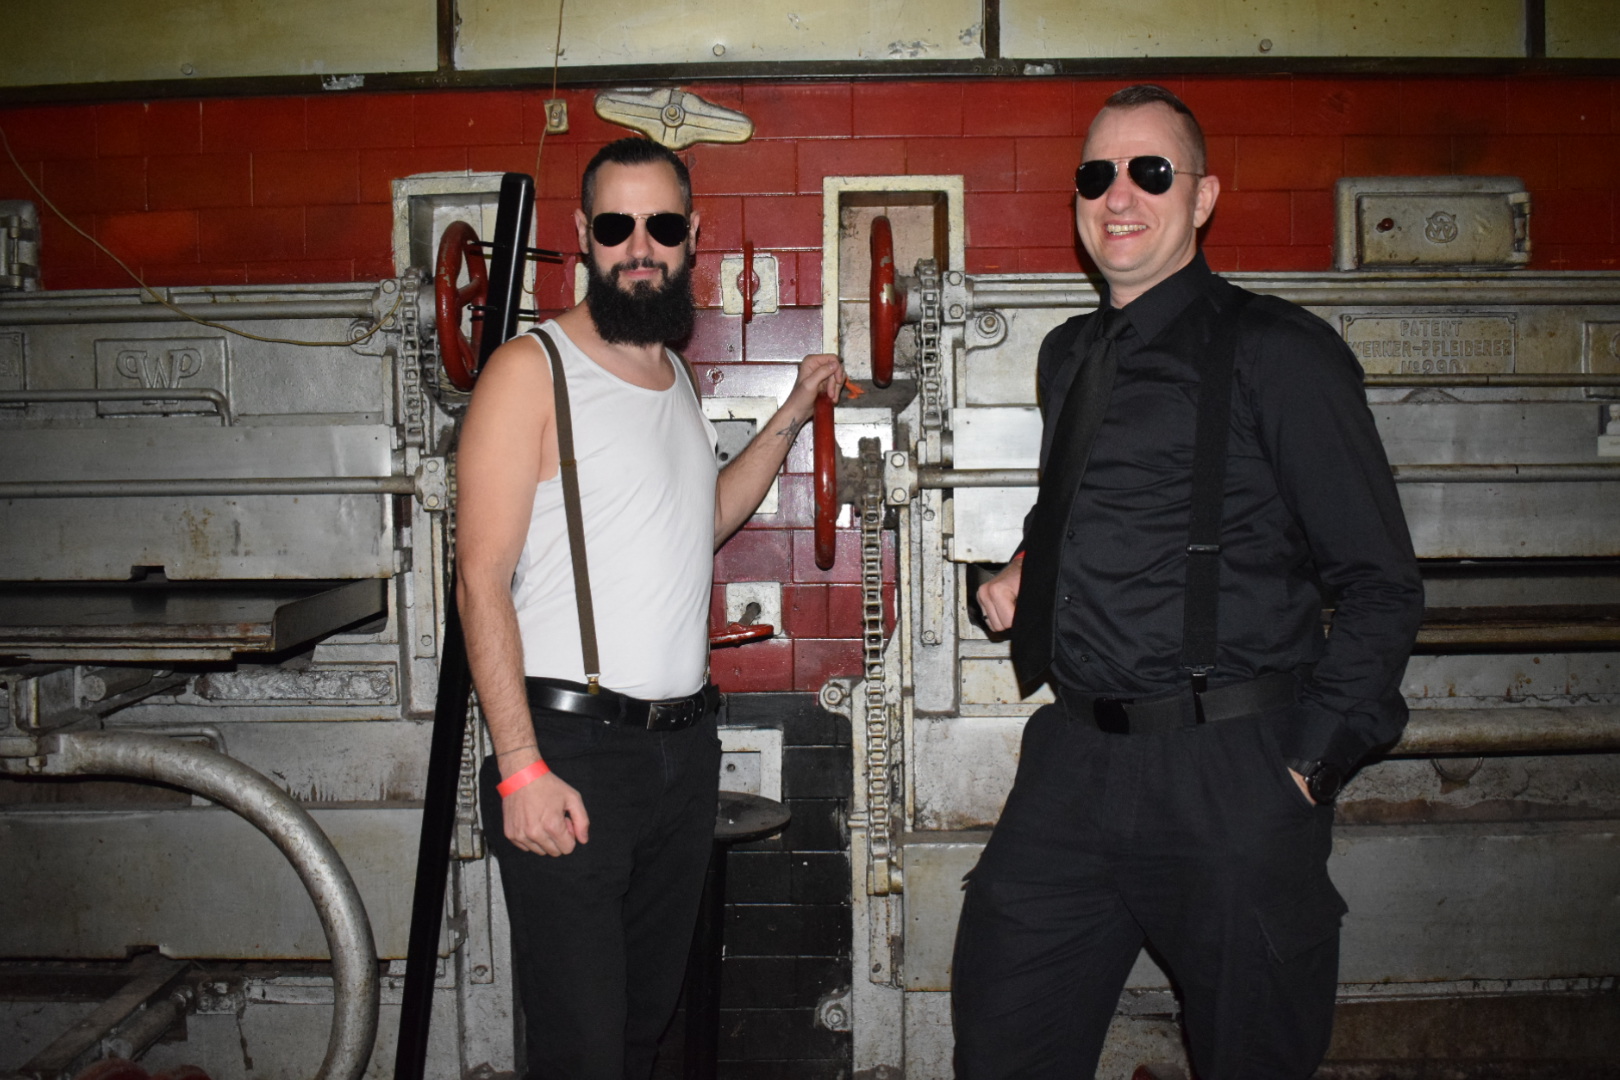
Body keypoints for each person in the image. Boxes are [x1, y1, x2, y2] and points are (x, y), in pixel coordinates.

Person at [952, 85, 1425, 1080]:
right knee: (1001, 1039)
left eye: (1150, 172)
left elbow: (1381, 580)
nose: (1118, 196)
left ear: (1203, 197)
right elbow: (1076, 509)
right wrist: (1026, 569)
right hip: (1074, 763)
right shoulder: (1068, 355)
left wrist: (1306, 767)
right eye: (1097, 175)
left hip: (1229, 769)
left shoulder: (1279, 351)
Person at [456, 136, 843, 1080]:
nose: (641, 246)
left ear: (692, 235)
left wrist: (792, 412)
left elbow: (701, 519)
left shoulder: (675, 376)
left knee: (642, 1031)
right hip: (570, 752)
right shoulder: (531, 369)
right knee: (582, 1050)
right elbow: (479, 578)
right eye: (617, 226)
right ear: (583, 235)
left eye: (662, 226)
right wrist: (519, 767)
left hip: (682, 754)